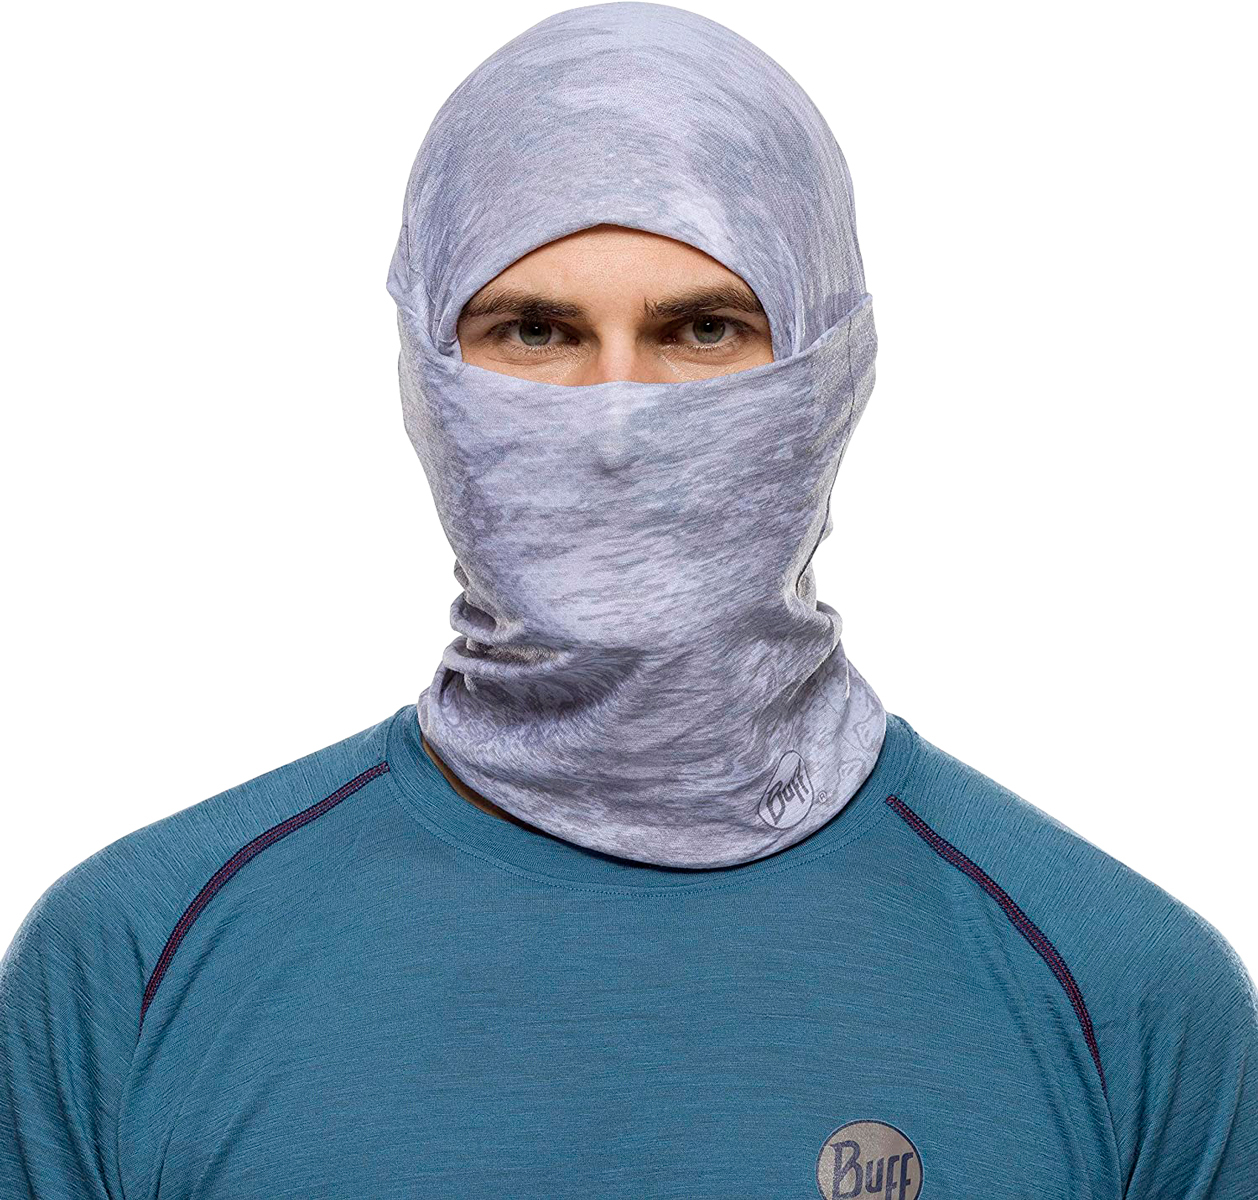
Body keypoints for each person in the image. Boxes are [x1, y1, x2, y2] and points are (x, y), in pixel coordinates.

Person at [2, 2, 1254, 1196]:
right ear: (429, 381)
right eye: (533, 333)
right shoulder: (130, 965)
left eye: (703, 331)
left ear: (829, 373)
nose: (616, 423)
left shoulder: (1125, 998)